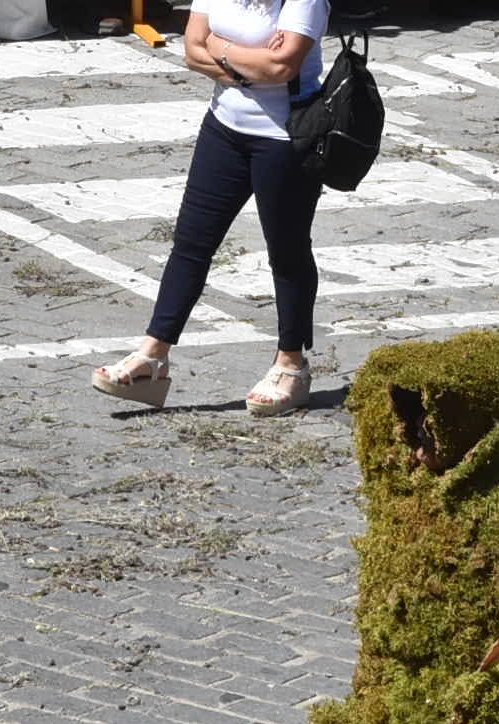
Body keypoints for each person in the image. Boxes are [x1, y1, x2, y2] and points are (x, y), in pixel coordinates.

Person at [90, 0, 326, 415]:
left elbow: (281, 69)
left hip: (286, 139)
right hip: (223, 129)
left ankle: (291, 365)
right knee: (190, 244)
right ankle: (154, 355)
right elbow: (192, 47)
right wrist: (244, 61)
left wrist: (223, 49)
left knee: (286, 253)